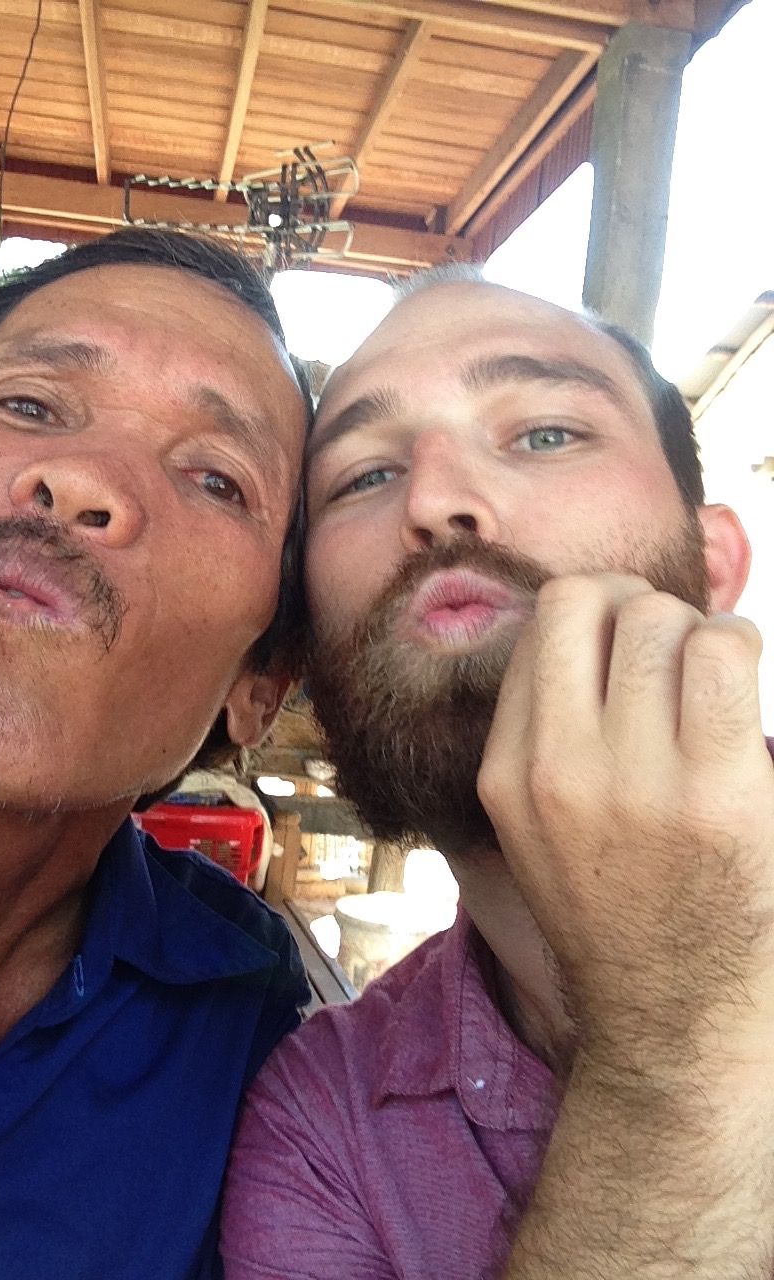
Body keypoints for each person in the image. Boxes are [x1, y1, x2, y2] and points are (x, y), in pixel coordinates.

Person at [222, 268, 774, 1279]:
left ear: (714, 562)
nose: (434, 499)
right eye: (363, 476)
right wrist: (671, 1048)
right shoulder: (320, 1120)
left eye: (547, 432)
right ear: (307, 650)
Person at [0, 227, 313, 1279]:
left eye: (217, 477)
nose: (80, 477)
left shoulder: (269, 1041)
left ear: (256, 686)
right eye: (30, 404)